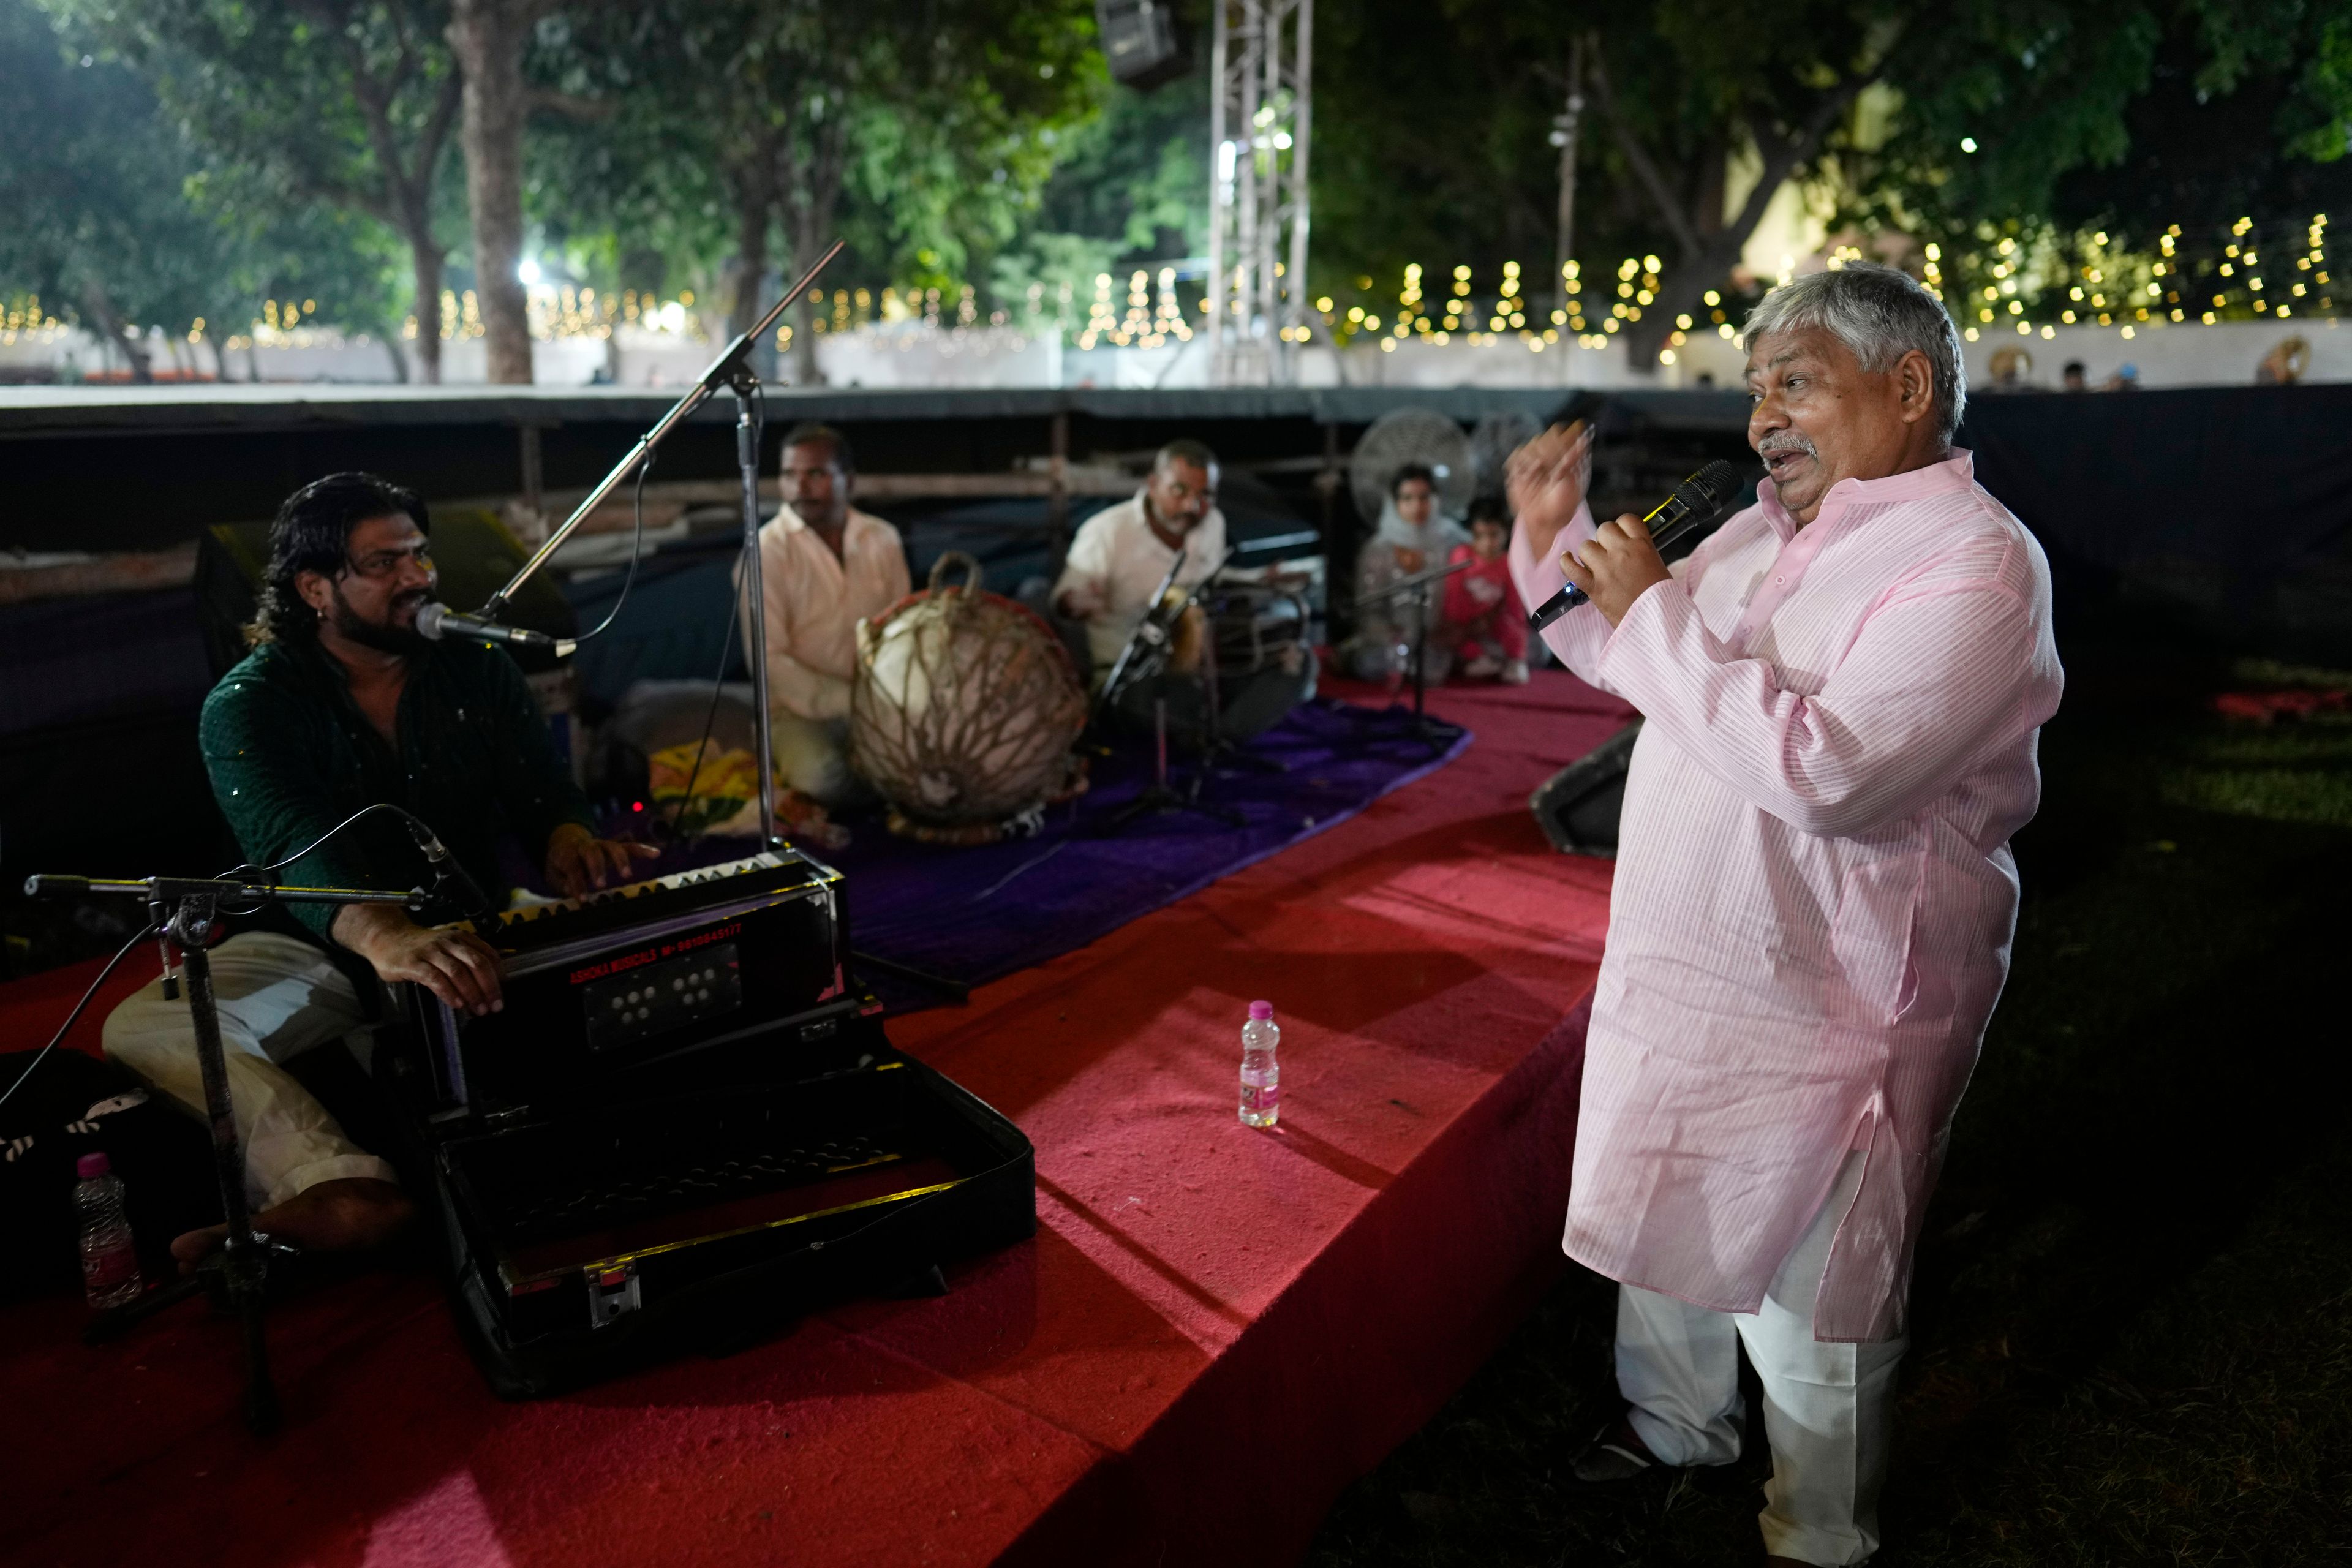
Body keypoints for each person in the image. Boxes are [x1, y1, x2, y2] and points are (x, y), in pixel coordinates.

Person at [1505, 261, 2062, 1567]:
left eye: (1796, 382)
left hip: (1837, 997)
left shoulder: (1978, 565)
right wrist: (1553, 531)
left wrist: (1654, 613)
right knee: (1668, 1215)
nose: (1765, 418)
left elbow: (1829, 772)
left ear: (1909, 385)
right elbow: (1618, 652)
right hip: (1690, 958)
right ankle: (1675, 1426)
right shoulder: (1759, 531)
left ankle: (1818, 1528)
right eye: (1758, 390)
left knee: (1816, 1303)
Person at [102, 473, 657, 1266]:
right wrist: (383, 936)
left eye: (420, 556)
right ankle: (333, 1185)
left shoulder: (477, 668)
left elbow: (544, 789)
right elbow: (294, 839)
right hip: (313, 952)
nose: (419, 578)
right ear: (315, 588)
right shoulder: (248, 703)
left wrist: (569, 838)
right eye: (385, 563)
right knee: (144, 1025)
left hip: (472, 921)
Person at [742, 423, 911, 807]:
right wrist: (853, 701)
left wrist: (893, 703)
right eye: (789, 475)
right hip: (795, 710)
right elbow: (769, 661)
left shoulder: (882, 539)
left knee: (933, 758)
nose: (799, 489)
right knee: (819, 777)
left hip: (877, 704)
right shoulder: (765, 553)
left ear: (848, 482)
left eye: (815, 474)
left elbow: (902, 630)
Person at [1052, 439, 1227, 680]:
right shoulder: (1106, 531)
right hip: (1125, 674)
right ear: (1153, 485)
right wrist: (1075, 603)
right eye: (1179, 491)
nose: (1192, 506)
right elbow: (1066, 598)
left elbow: (1214, 580)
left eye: (1205, 494)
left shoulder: (1213, 523)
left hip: (1194, 669)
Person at [1347, 462, 1471, 684]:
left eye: (1424, 497)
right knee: (1369, 662)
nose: (1417, 506)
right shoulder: (1378, 549)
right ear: (1395, 503)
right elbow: (1368, 611)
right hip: (1392, 643)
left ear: (1436, 499)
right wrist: (1392, 636)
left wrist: (1454, 629)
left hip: (1442, 639)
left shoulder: (1455, 542)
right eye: (1407, 498)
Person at [1439, 497, 1529, 683]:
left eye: (1494, 535)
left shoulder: (1509, 562)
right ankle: (1481, 659)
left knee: (1513, 628)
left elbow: (1515, 605)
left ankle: (1514, 662)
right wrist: (1466, 624)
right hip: (1467, 624)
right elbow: (1454, 598)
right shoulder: (1462, 555)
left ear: (1506, 533)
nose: (1487, 542)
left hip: (1495, 622)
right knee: (1452, 637)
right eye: (1479, 536)